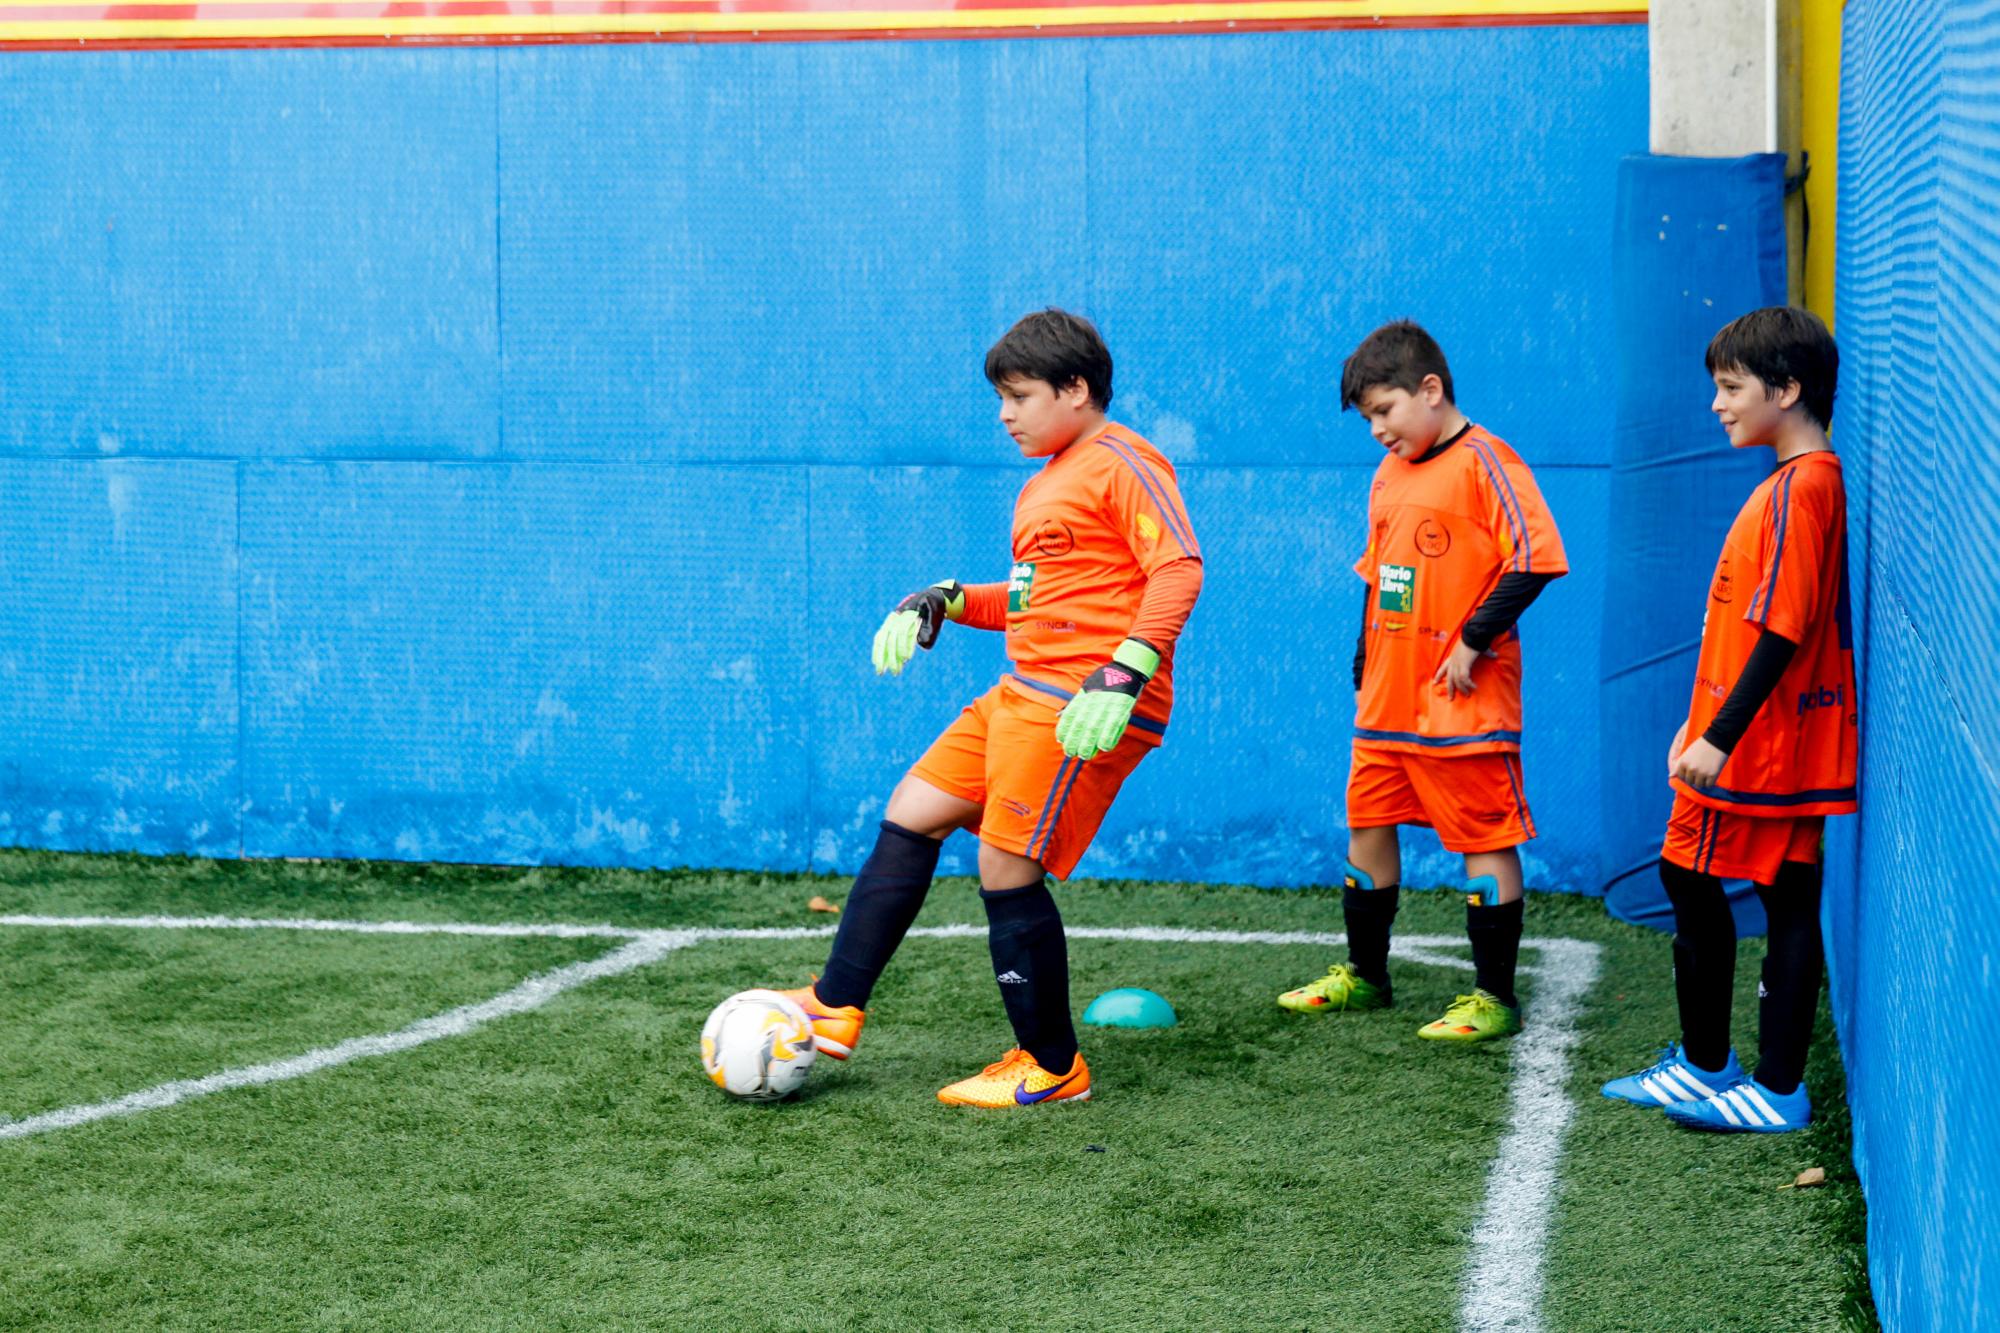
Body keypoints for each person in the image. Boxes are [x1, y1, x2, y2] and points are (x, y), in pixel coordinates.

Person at [774, 308, 1203, 1108]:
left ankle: (1051, 1064)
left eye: (1019, 395)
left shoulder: (1123, 460)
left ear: (1075, 390)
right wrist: (948, 597)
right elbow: (1038, 599)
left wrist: (1124, 672)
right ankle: (833, 1006)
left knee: (1006, 862)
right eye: (1000, 398)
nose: (1004, 414)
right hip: (1019, 690)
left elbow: (1178, 567)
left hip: (1079, 700)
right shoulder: (1049, 480)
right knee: (914, 810)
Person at [1277, 320, 1566, 1042]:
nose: (1377, 429)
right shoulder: (1387, 474)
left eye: (1385, 410)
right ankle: (1366, 976)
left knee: (1484, 834)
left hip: (1461, 700)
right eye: (1369, 417)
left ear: (1430, 390)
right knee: (1367, 823)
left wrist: (1473, 639)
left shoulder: (1487, 461)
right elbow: (1377, 578)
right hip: (1386, 699)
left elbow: (1533, 558)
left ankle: (1493, 996)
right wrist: (1360, 664)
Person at [1602, 306, 1854, 1133]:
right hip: (1766, 739)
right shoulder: (1796, 485)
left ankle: (1744, 1075)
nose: (1718, 403)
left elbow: (1783, 629)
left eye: (1732, 387)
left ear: (1786, 389)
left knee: (1714, 876)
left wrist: (1719, 736)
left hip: (1765, 747)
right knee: (1772, 887)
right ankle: (1733, 1070)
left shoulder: (1802, 489)